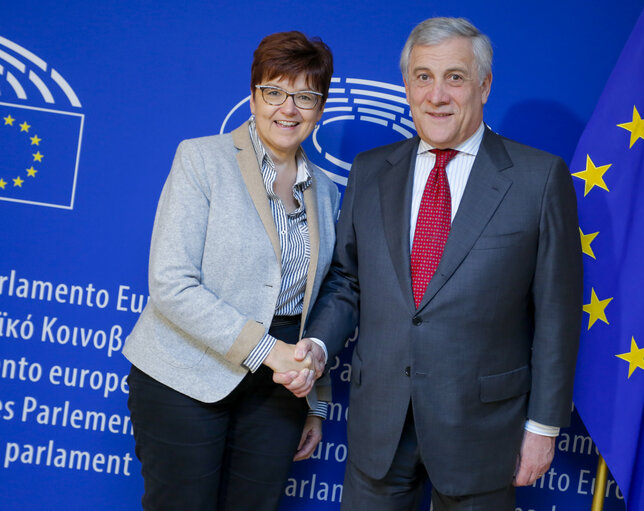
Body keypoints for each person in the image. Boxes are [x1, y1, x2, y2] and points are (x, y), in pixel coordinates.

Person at [290, 17, 583, 510]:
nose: (437, 95)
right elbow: (347, 281)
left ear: (484, 85)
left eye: (455, 77)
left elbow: (557, 313)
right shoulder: (371, 170)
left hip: (483, 432)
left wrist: (543, 426)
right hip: (379, 425)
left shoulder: (539, 178)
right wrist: (318, 345)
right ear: (407, 86)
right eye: (423, 76)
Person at [122, 31, 339, 511]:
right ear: (253, 94)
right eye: (275, 91)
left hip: (278, 392)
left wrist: (312, 400)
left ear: (319, 108)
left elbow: (315, 303)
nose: (289, 109)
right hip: (185, 373)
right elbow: (171, 284)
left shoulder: (324, 190)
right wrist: (267, 351)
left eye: (305, 96)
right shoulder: (202, 159)